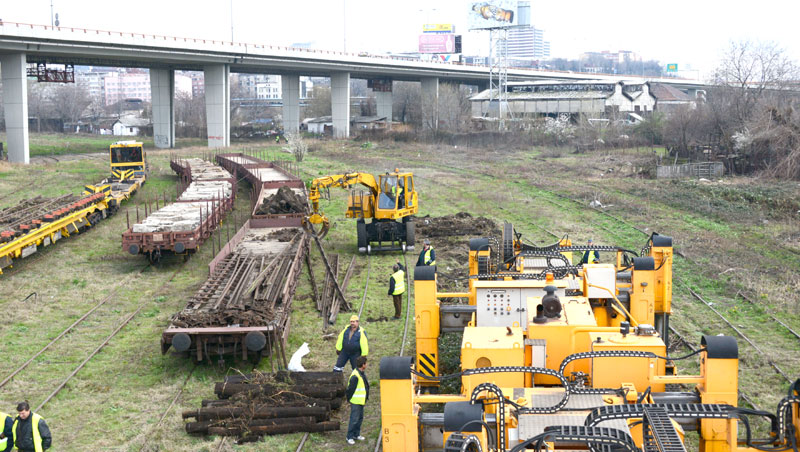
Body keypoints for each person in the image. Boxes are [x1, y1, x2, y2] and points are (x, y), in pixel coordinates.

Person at [345, 356, 369, 445]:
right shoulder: (355, 376)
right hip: (356, 401)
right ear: (363, 365)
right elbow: (350, 390)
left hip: (361, 401)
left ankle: (356, 434)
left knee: (359, 418)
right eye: (366, 363)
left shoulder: (361, 373)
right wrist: (349, 399)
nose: (366, 365)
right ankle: (349, 437)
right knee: (354, 419)